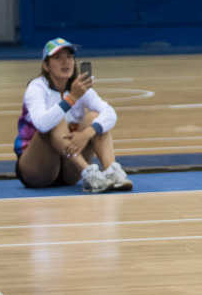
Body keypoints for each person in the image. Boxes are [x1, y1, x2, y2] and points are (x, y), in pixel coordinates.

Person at [14, 39, 132, 193]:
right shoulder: (37, 87)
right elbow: (42, 124)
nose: (66, 62)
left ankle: (112, 172)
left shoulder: (79, 87)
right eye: (58, 58)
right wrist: (71, 99)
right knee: (56, 120)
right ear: (46, 65)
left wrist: (87, 133)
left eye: (69, 57)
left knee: (94, 117)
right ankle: (89, 174)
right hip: (37, 169)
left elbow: (110, 113)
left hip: (70, 168)